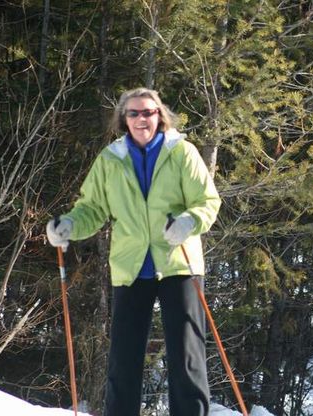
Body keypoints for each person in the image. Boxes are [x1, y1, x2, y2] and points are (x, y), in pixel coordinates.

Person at [46, 87, 221, 416]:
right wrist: (68, 225)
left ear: (160, 116)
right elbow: (92, 209)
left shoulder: (182, 153)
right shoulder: (110, 160)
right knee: (124, 358)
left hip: (178, 263)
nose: (143, 119)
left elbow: (207, 202)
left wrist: (188, 221)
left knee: (187, 356)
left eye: (149, 112)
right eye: (135, 113)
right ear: (123, 120)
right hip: (131, 265)